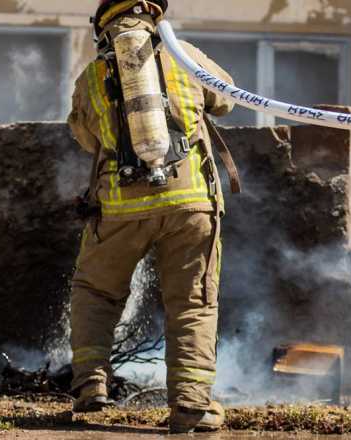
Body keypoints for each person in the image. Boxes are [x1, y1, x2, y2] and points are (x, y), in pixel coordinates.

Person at [66, 0, 237, 433]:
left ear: (102, 28)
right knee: (192, 305)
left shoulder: (90, 78)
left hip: (120, 207)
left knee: (95, 292)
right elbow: (227, 98)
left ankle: (91, 386)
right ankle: (190, 404)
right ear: (156, 17)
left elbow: (86, 138)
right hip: (190, 204)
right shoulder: (186, 57)